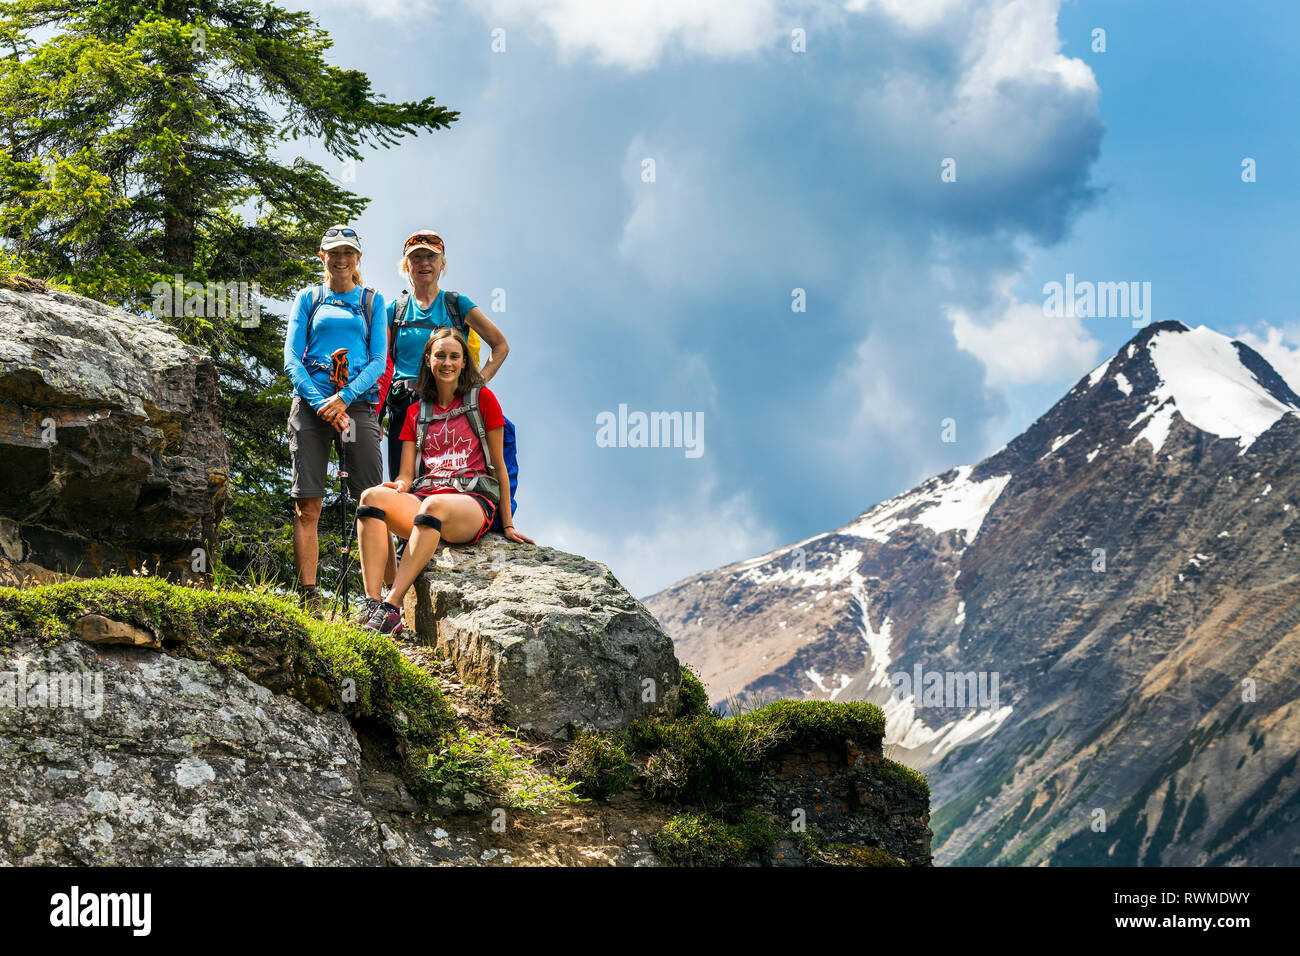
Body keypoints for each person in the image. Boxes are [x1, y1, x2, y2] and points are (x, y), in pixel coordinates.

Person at [354, 327, 533, 636]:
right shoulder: (416, 412)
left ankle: (392, 607)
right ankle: (373, 603)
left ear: (464, 363)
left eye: (454, 356)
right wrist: (396, 487)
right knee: (370, 497)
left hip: (472, 502)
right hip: (426, 501)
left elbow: (499, 467)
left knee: (434, 504)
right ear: (428, 360)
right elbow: (407, 476)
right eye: (440, 355)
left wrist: (507, 525)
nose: (447, 362)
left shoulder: (483, 400)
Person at [283, 225, 387, 612]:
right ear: (322, 256)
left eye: (348, 253)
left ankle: (377, 600)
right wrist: (321, 401)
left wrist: (343, 398)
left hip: (357, 404)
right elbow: (292, 358)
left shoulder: (372, 302)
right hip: (310, 404)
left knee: (371, 500)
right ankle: (309, 598)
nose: (341, 259)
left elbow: (378, 361)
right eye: (334, 252)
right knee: (307, 504)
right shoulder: (309, 298)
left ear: (358, 258)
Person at [380, 230, 509, 483]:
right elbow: (380, 363)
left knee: (447, 480)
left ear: (442, 263)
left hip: (449, 406)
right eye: (416, 258)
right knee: (402, 483)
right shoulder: (393, 310)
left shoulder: (457, 305)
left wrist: (475, 385)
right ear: (407, 265)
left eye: (430, 256)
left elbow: (500, 345)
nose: (424, 263)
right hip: (404, 406)